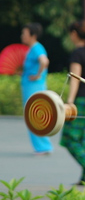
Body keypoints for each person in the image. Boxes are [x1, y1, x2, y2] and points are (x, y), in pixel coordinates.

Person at [60, 20, 85, 185]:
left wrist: (70, 101)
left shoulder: (77, 53)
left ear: (74, 34)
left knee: (69, 138)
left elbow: (75, 78)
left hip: (82, 99)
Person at [20, 22, 53, 155]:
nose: (22, 36)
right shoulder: (32, 49)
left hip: (34, 87)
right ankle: (42, 146)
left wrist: (37, 75)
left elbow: (44, 61)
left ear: (32, 35)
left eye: (24, 33)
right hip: (30, 86)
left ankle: (43, 147)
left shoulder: (37, 48)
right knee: (34, 116)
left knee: (35, 116)